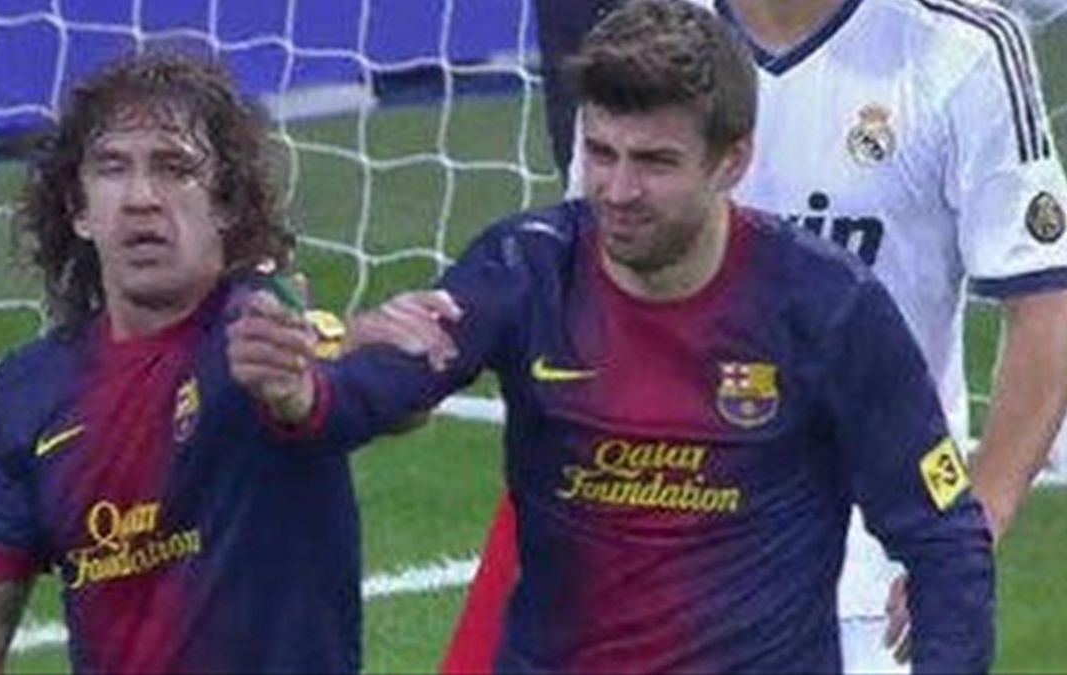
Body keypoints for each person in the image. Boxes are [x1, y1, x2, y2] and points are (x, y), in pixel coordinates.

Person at [240, 1, 996, 670]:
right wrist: (305, 387)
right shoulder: (530, 265)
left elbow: (946, 541)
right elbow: (393, 380)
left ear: (732, 160)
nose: (618, 190)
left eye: (655, 162)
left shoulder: (827, 306)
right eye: (601, 153)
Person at [445, 0, 1067, 670]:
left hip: (872, 567)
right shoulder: (654, 39)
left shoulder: (960, 50)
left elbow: (1045, 306)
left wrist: (976, 525)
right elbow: (594, 278)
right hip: (662, 549)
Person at [0, 52, 426, 673]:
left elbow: (356, 382)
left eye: (174, 168)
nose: (140, 199)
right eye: (112, 168)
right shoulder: (28, 393)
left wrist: (338, 372)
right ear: (79, 208)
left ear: (226, 204)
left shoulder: (257, 332)